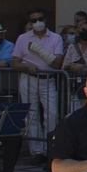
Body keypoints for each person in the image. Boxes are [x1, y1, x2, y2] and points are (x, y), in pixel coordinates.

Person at [15, 9, 64, 154]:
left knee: (52, 114)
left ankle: (50, 149)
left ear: (46, 19)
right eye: (33, 20)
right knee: (32, 115)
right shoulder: (22, 38)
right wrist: (26, 67)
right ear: (30, 22)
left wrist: (38, 50)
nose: (37, 22)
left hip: (48, 79)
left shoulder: (56, 38)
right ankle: (37, 151)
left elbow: (57, 64)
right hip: (28, 79)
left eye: (40, 19)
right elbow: (15, 64)